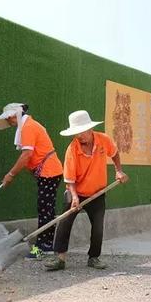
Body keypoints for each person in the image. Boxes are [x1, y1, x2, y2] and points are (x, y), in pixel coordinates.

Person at [44, 110, 129, 271]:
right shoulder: (72, 149)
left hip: (97, 192)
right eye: (76, 133)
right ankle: (60, 259)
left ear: (90, 129)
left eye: (81, 132)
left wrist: (118, 170)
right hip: (76, 191)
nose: (79, 136)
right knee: (64, 223)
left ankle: (94, 258)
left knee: (98, 227)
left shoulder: (103, 140)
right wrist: (75, 197)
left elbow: (115, 153)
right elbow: (69, 179)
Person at [0, 103, 63, 259]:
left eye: (9, 120)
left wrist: (10, 174)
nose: (9, 124)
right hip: (49, 172)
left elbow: (26, 155)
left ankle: (42, 246)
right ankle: (48, 244)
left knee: (44, 209)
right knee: (47, 208)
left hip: (49, 172)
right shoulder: (28, 125)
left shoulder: (28, 127)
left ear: (13, 116)